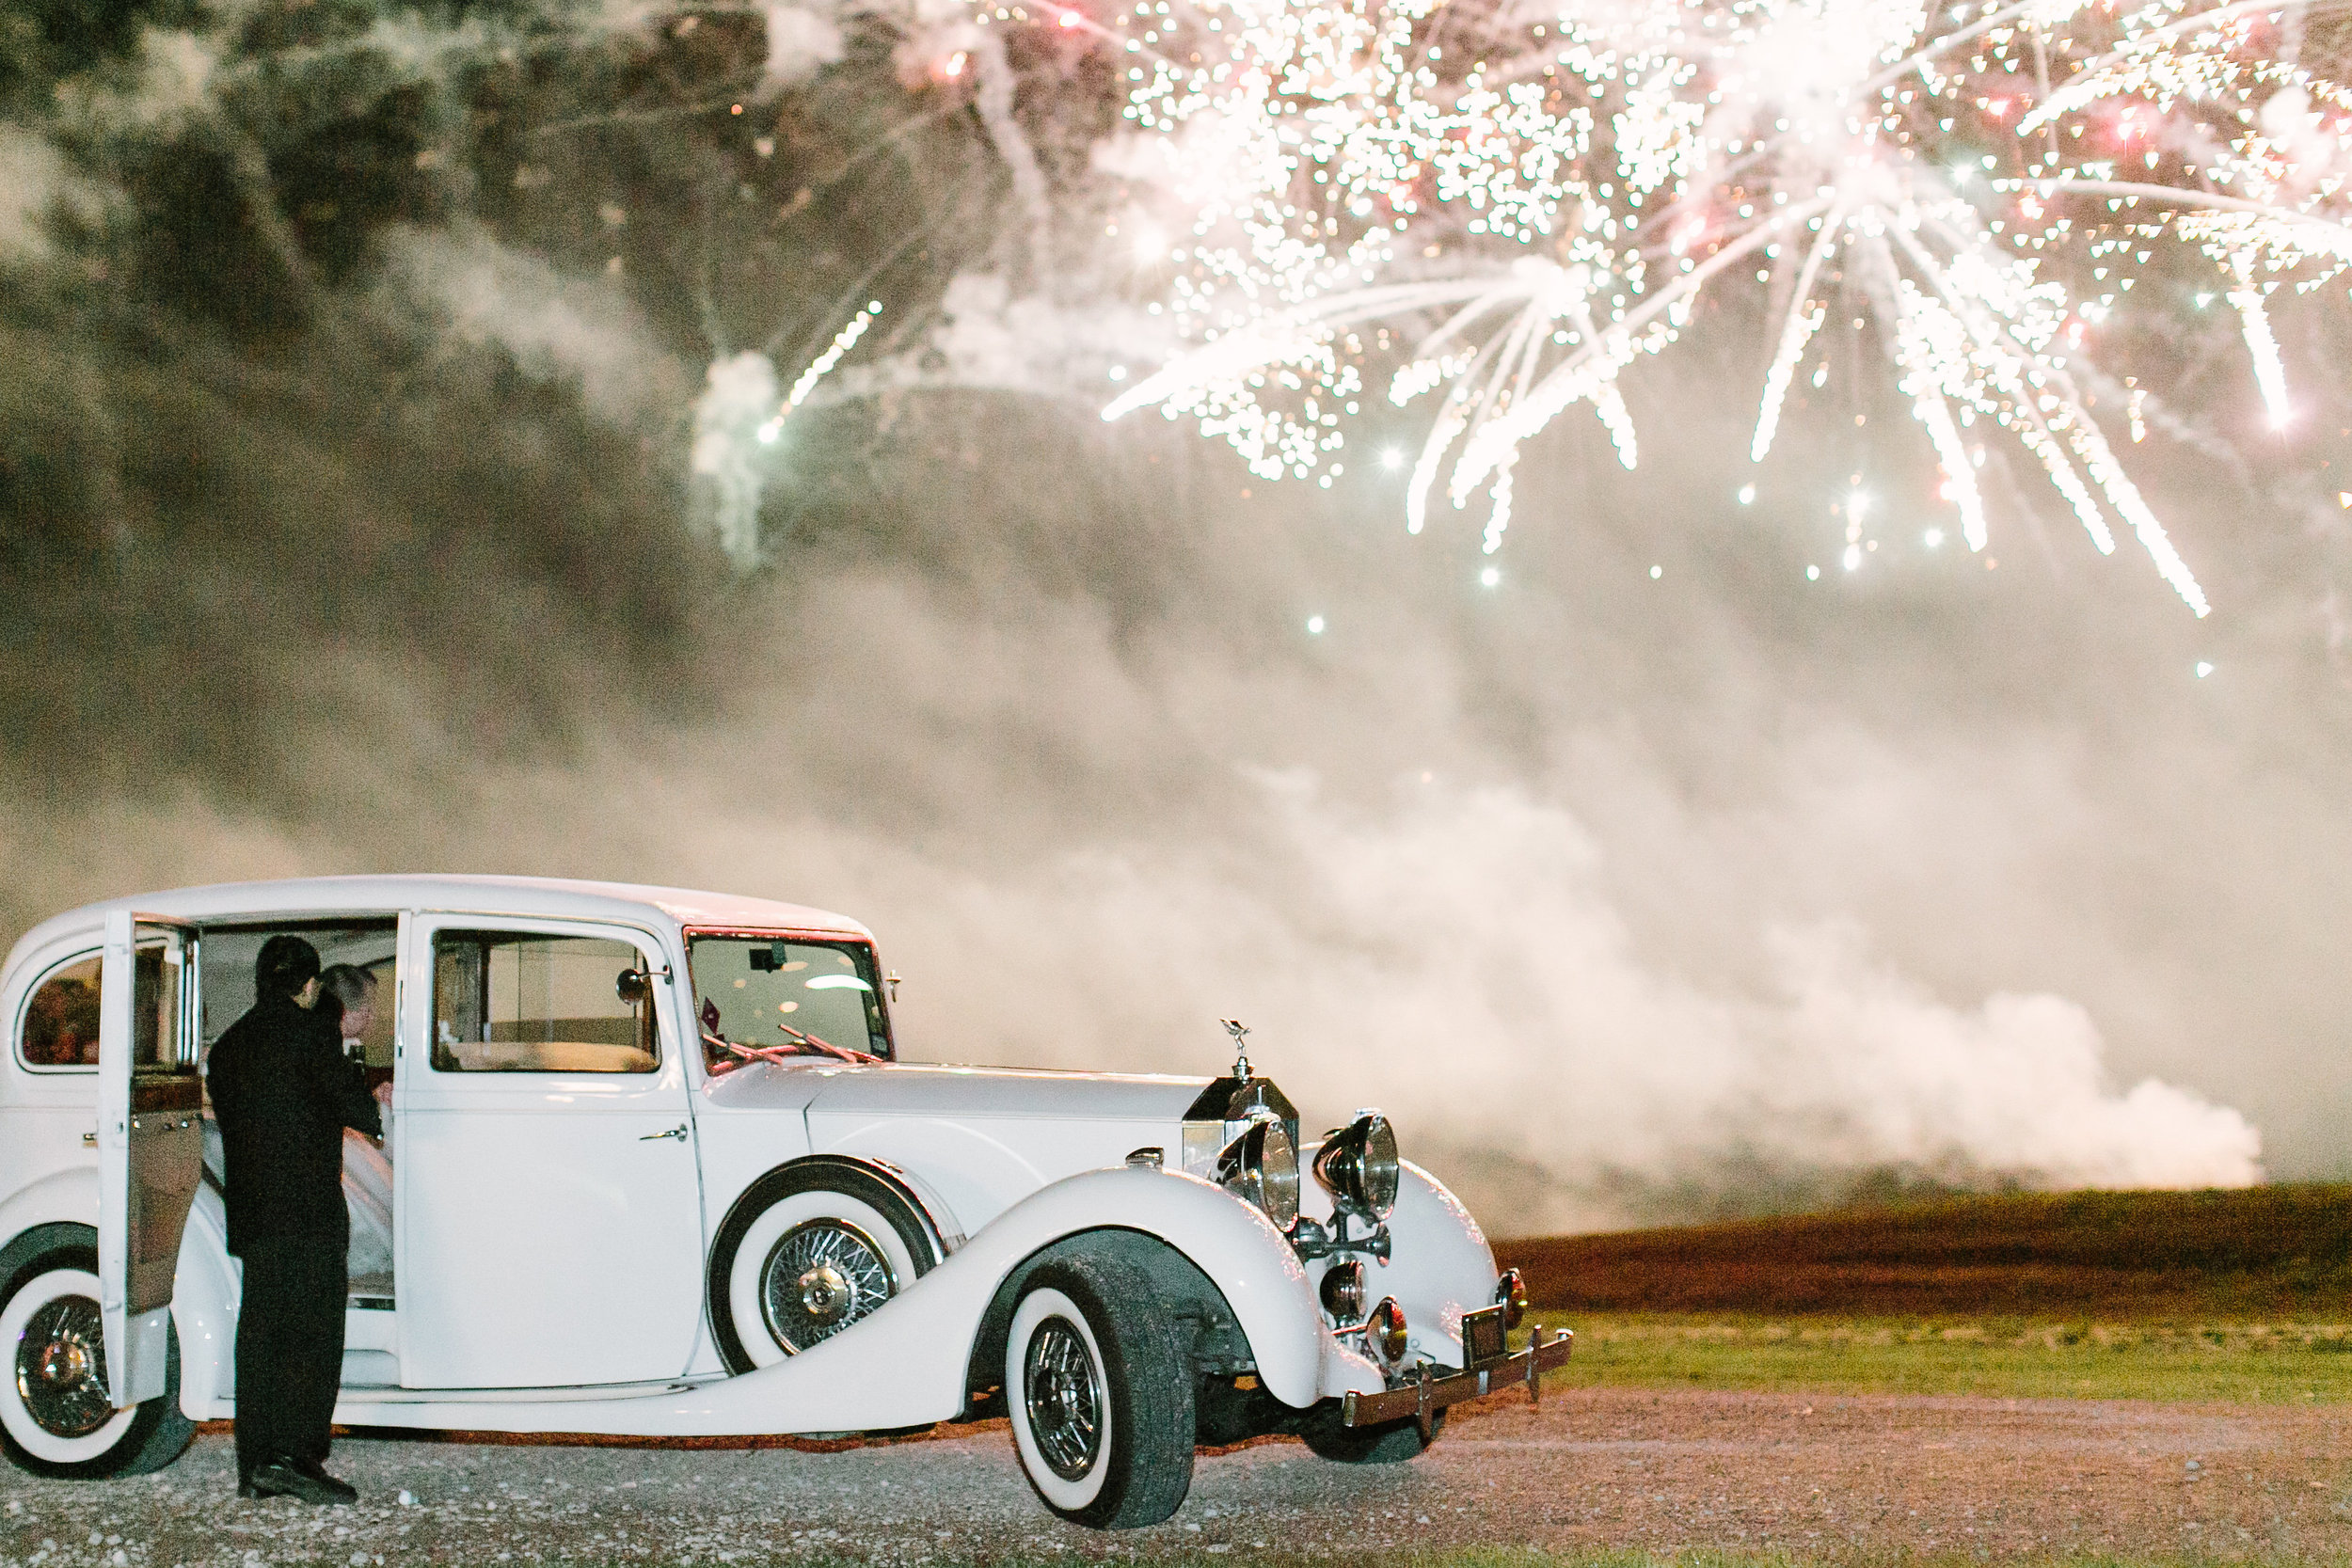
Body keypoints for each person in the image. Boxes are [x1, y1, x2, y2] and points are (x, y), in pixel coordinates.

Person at [205, 936, 382, 1506]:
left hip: (255, 1214)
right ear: (308, 986)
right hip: (307, 1215)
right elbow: (359, 1110)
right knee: (311, 1339)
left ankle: (257, 1462)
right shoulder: (310, 1036)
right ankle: (298, 1458)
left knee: (260, 1337)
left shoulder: (228, 1048)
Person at [317, 965, 394, 1287]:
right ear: (347, 1013)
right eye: (368, 1010)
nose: (372, 1017)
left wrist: (376, 1097)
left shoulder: (344, 1047)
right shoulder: (325, 1050)